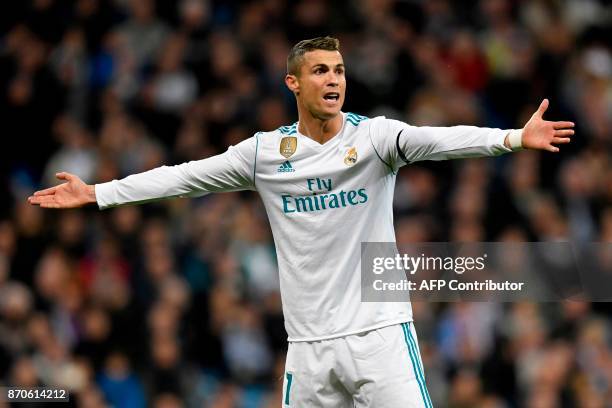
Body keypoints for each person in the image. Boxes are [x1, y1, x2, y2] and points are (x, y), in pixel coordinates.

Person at [29, 36, 574, 407]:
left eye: (338, 70)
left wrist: (509, 139)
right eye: (320, 71)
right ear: (294, 84)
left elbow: (438, 140)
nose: (333, 80)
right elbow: (184, 176)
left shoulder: (374, 139)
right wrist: (99, 192)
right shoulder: (266, 153)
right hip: (308, 347)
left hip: (379, 335)